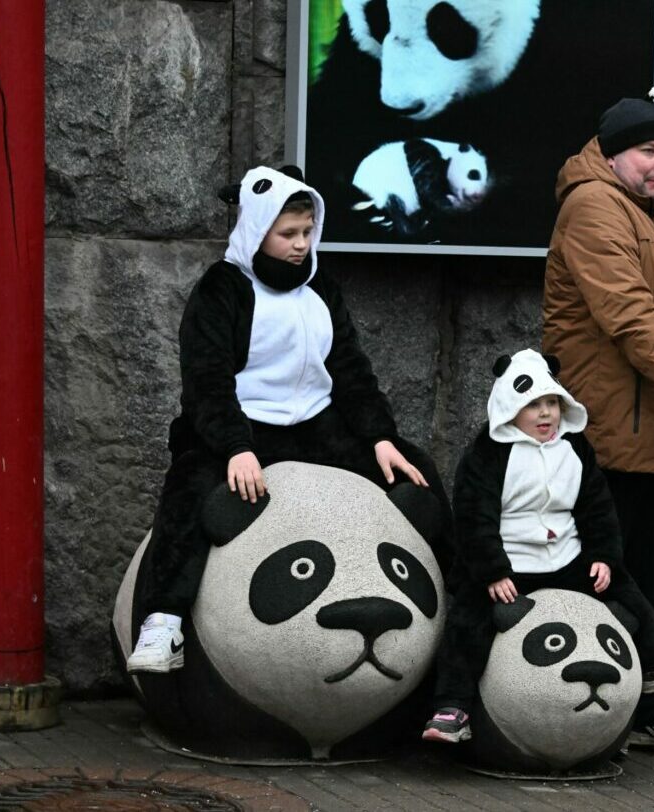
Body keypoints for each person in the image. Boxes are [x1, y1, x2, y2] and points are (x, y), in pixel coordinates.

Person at [126, 165, 447, 673]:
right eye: (288, 234)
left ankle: (449, 623)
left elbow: (349, 368)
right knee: (189, 489)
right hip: (241, 427)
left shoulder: (322, 289)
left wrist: (380, 437)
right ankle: (163, 621)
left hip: (316, 425)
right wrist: (235, 447)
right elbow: (206, 380)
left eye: (307, 232)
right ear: (258, 231)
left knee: (414, 468)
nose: (301, 244)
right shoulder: (222, 289)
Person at [543, 89, 654, 751]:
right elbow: (629, 317)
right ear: (614, 152)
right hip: (612, 435)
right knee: (608, 574)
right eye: (648, 149)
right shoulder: (593, 206)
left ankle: (648, 713)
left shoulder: (646, 212)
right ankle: (600, 717)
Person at [422, 349, 654, 744]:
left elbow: (597, 508)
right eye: (533, 405)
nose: (545, 414)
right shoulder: (487, 454)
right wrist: (492, 570)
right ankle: (452, 707)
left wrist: (604, 557)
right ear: (510, 407)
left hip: (565, 558)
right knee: (469, 621)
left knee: (626, 589)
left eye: (552, 403)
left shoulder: (574, 447)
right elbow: (473, 516)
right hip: (508, 563)